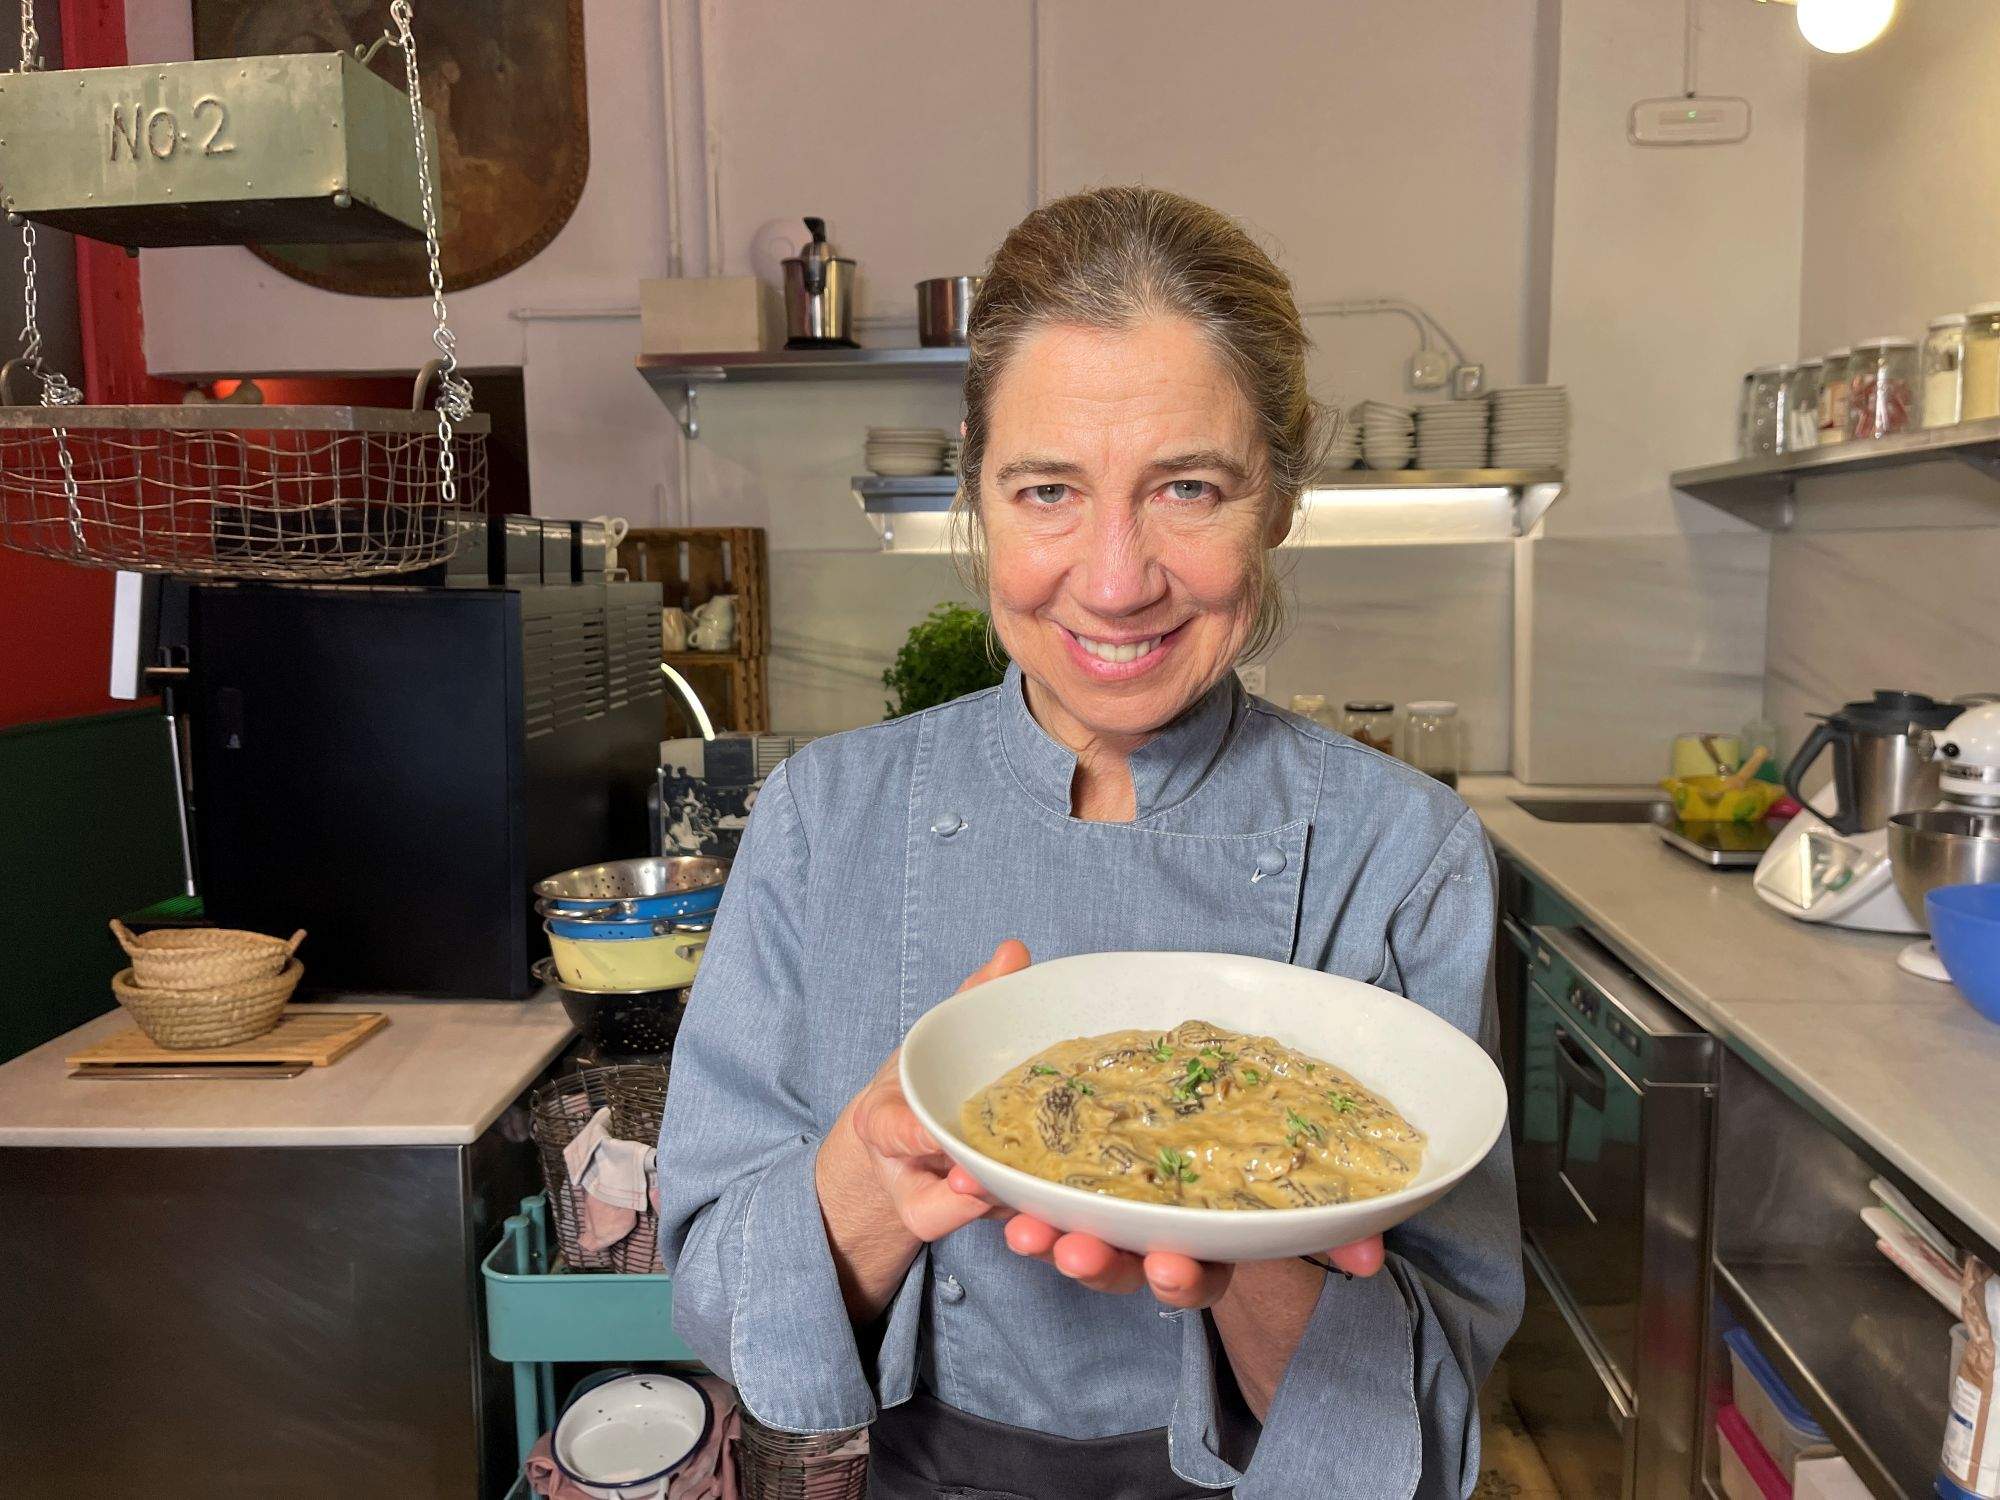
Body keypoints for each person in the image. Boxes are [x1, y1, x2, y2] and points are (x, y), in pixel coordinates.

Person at [656, 185, 1522, 1499]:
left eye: (1188, 487)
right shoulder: (823, 821)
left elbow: (1440, 1427)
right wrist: (880, 1175)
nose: (1115, 580)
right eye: (1049, 488)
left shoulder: (1405, 858)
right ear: (978, 497)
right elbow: (719, 1298)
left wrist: (1252, 1247)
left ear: (1277, 498)